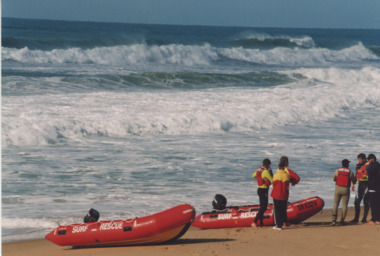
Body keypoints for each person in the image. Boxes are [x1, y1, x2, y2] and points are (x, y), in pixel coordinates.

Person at [270, 156, 300, 230]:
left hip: (277, 192)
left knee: (278, 209)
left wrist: (293, 182)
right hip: (285, 192)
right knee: (283, 208)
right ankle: (284, 222)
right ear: (286, 162)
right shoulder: (287, 171)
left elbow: (274, 182)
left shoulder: (279, 171)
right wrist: (293, 182)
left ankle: (280, 224)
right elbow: (297, 178)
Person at [332, 159, 356, 225]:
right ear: (347, 164)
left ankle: (334, 220)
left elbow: (334, 179)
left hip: (338, 188)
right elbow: (354, 181)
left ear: (342, 164)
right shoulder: (350, 172)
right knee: (344, 205)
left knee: (335, 204)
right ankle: (342, 221)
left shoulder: (337, 170)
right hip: (346, 189)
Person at [252, 158, 273, 228]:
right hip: (264, 190)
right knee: (264, 207)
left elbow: (254, 175)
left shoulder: (260, 169)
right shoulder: (266, 171)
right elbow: (272, 181)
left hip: (259, 190)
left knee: (262, 207)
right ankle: (254, 222)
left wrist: (260, 178)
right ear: (268, 164)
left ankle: (261, 223)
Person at [350, 153, 370, 223]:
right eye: (358, 159)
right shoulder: (358, 166)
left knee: (365, 201)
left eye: (360, 159)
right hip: (360, 185)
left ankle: (364, 219)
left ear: (364, 159)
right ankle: (356, 218)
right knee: (356, 202)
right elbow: (356, 175)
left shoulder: (368, 166)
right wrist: (353, 184)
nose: (359, 161)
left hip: (367, 185)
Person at [366, 154, 380, 225]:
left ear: (372, 159)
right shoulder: (378, 166)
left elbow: (368, 170)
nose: (368, 161)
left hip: (372, 187)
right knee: (377, 204)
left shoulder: (371, 167)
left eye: (369, 159)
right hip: (378, 188)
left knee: (373, 204)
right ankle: (378, 219)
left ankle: (374, 219)